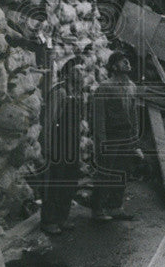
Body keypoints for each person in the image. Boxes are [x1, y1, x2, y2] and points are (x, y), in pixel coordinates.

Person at [90, 50, 144, 222]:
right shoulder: (105, 87)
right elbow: (99, 118)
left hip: (126, 137)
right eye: (122, 61)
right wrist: (101, 141)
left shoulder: (132, 87)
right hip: (111, 136)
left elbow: (134, 114)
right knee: (106, 172)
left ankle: (115, 206)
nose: (127, 63)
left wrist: (135, 139)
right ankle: (98, 209)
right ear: (114, 67)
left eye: (127, 60)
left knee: (122, 172)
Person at [41, 57, 85, 235]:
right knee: (55, 183)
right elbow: (49, 121)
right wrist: (48, 147)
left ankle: (62, 218)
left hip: (72, 145)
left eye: (82, 70)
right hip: (59, 145)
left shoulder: (78, 94)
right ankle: (49, 221)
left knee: (69, 182)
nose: (81, 74)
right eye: (77, 70)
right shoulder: (59, 92)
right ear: (67, 74)